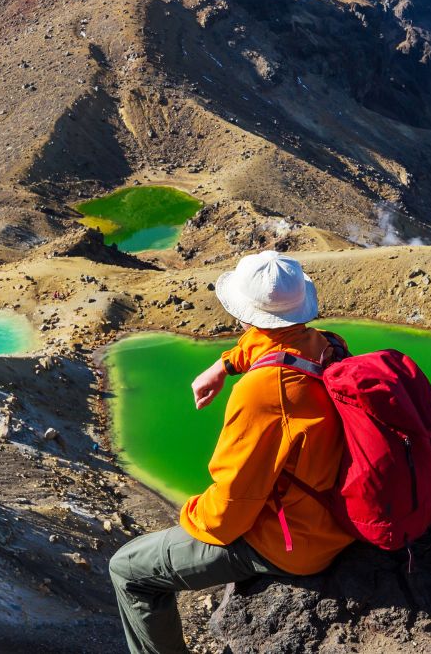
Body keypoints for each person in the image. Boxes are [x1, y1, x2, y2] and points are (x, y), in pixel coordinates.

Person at [109, 251, 354, 654]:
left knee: (129, 569)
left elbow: (229, 512)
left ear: (246, 313)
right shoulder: (330, 346)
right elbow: (274, 345)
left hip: (298, 546)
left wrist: (187, 514)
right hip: (336, 517)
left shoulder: (262, 393)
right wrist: (224, 364)